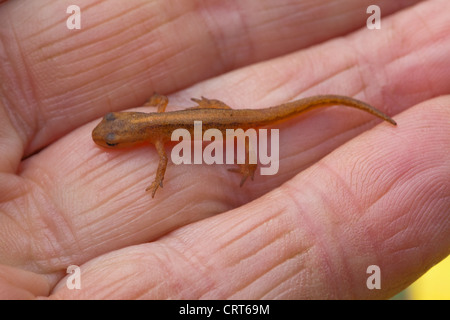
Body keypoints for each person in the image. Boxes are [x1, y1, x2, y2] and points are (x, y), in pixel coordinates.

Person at [0, 0, 448, 299]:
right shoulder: (155, 123)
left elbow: (163, 158)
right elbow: (160, 117)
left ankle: (252, 156)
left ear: (133, 129)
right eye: (112, 133)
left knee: (252, 129)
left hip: (232, 122)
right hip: (218, 115)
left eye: (112, 135)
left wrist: (160, 178)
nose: (110, 137)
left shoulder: (155, 134)